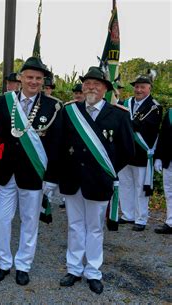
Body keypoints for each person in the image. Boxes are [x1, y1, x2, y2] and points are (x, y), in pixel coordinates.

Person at [58, 66, 134, 294]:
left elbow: (127, 151)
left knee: (94, 228)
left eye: (96, 84)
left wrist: (107, 170)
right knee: (74, 226)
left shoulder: (118, 114)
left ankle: (93, 271)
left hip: (99, 181)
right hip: (73, 179)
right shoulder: (70, 111)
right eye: (87, 84)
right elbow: (60, 145)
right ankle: (73, 268)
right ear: (83, 87)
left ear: (105, 89)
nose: (91, 87)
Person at [0, 56, 62, 285]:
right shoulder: (4, 101)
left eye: (38, 78)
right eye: (29, 77)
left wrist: (51, 178)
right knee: (1, 218)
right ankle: (2, 262)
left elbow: (55, 145)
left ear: (43, 81)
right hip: (4, 171)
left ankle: (23, 264)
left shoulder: (53, 106)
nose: (33, 81)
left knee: (30, 221)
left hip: (33, 173)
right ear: (20, 78)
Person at [118, 74, 162, 231]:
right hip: (125, 153)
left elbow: (147, 127)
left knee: (141, 188)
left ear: (149, 88)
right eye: (137, 86)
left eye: (142, 87)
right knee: (125, 185)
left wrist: (128, 124)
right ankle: (127, 215)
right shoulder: (126, 103)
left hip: (142, 153)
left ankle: (141, 219)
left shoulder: (154, 107)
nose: (139, 89)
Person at [153, 108, 172, 234]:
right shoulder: (170, 113)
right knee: (169, 191)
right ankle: (170, 222)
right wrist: (158, 157)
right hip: (169, 159)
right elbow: (163, 136)